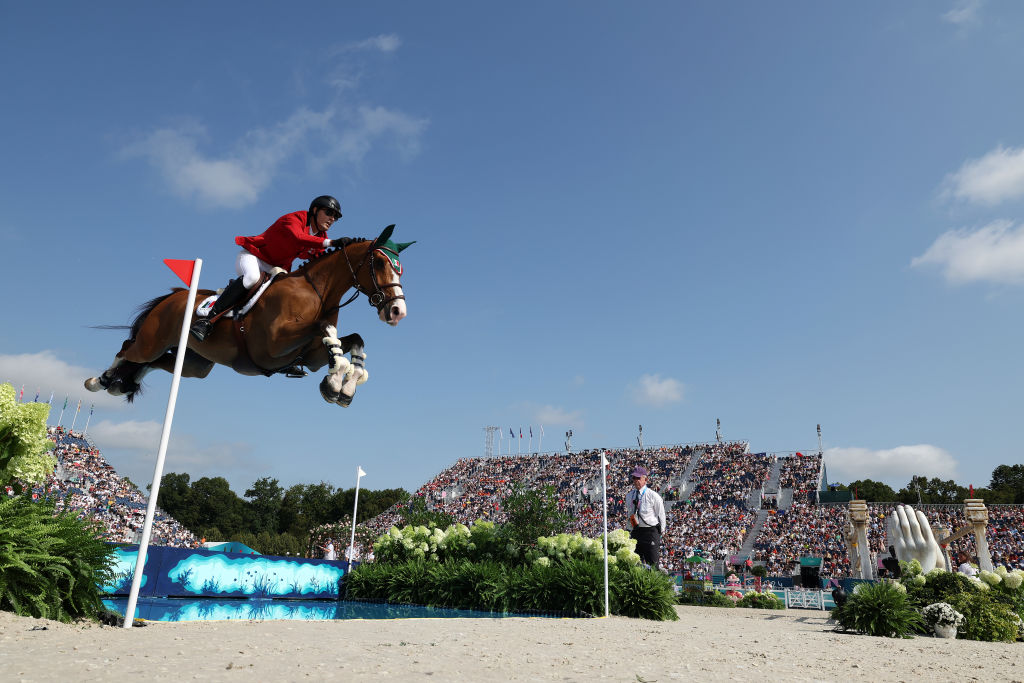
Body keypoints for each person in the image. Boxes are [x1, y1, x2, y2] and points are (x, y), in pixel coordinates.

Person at [189, 195, 348, 342]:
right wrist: (332, 243)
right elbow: (298, 237)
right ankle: (207, 320)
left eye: (336, 217)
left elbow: (318, 259)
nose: (332, 219)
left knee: (286, 294)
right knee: (251, 278)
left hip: (276, 268)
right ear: (315, 210)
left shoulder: (321, 237)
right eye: (328, 213)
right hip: (254, 257)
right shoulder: (295, 218)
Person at [626, 465, 666, 568]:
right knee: (634, 563)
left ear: (645, 479)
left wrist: (660, 532)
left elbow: (661, 515)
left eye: (638, 478)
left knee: (652, 563)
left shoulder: (653, 495)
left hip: (650, 531)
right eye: (634, 478)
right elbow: (630, 513)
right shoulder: (629, 495)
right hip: (636, 531)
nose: (635, 480)